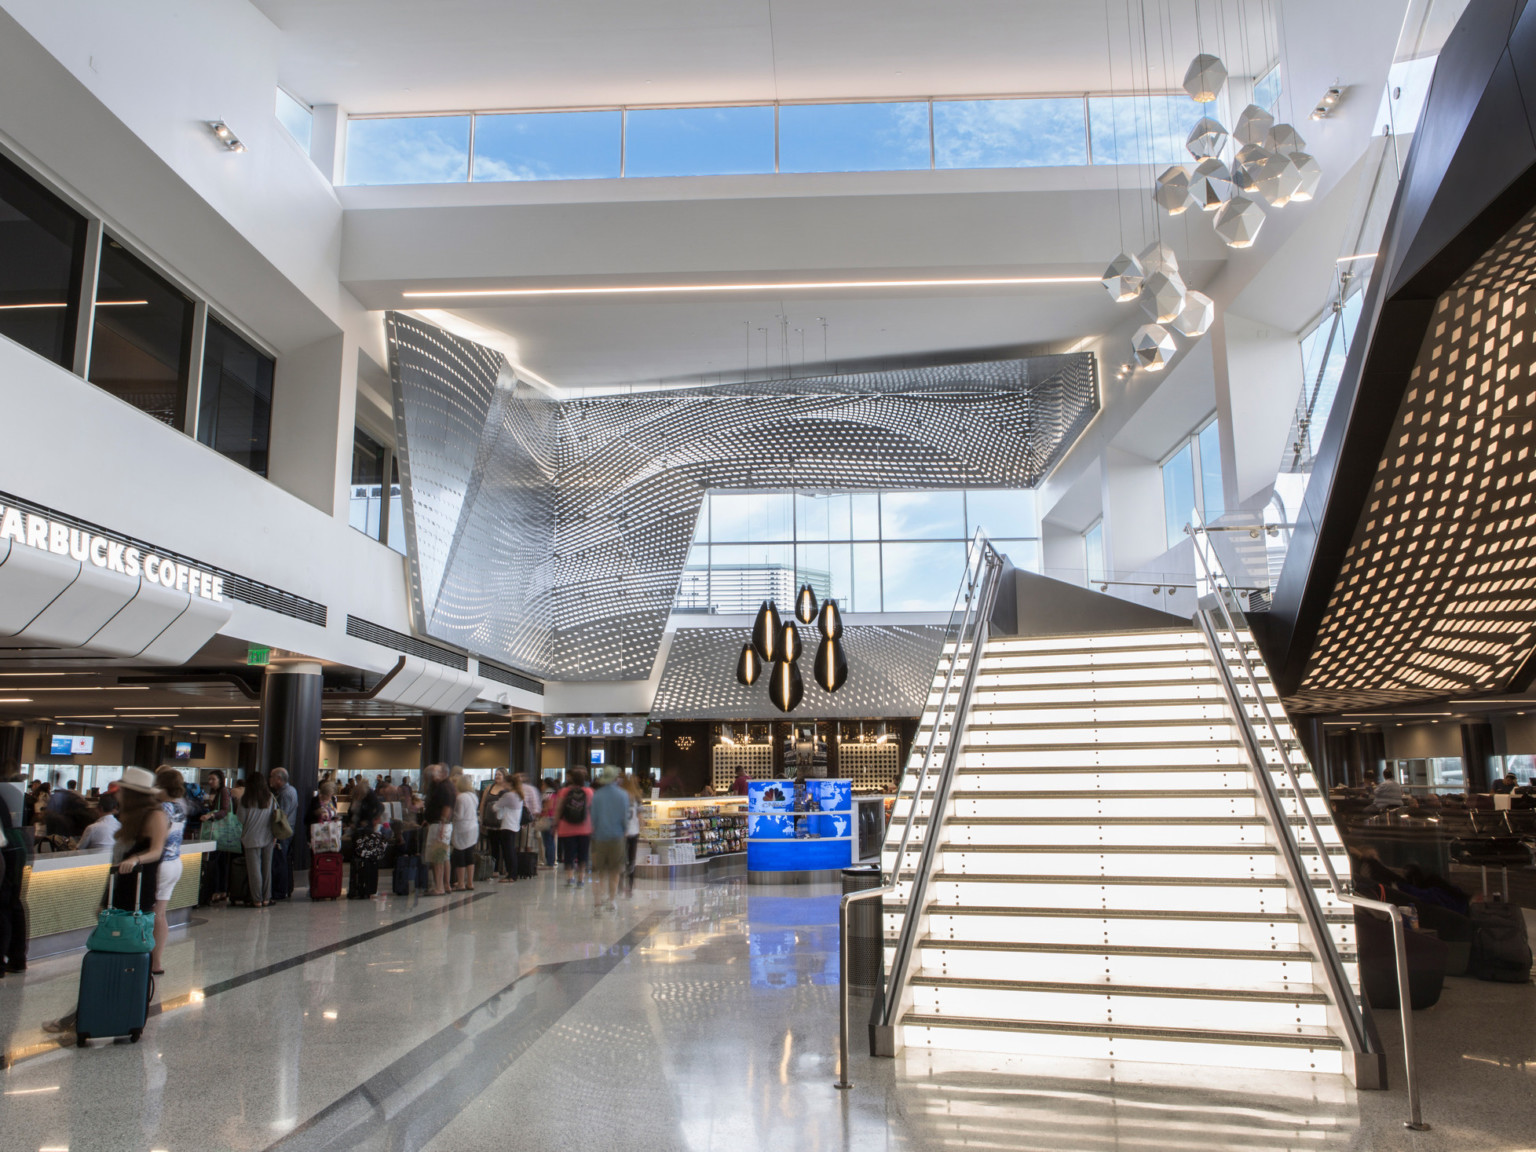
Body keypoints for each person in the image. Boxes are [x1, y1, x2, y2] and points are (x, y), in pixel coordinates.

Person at [115, 768, 171, 972]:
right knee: (116, 921)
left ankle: (139, 969)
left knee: (136, 924)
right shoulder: (130, 816)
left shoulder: (156, 815)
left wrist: (136, 859)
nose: (117, 793)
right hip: (123, 877)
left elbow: (156, 851)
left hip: (140, 878)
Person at [148, 768, 188, 974]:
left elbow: (155, 839)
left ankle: (148, 958)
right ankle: (156, 962)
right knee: (160, 915)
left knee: (151, 914)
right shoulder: (180, 807)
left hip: (161, 864)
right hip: (175, 863)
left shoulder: (162, 809)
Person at [0, 772, 28, 977]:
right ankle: (17, 959)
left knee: (3, 906)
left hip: (5, 847)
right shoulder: (6, 791)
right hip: (15, 843)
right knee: (12, 904)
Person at [590, 769, 628, 915]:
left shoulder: (597, 795)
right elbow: (625, 817)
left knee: (599, 871)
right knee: (614, 871)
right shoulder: (622, 795)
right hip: (617, 837)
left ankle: (598, 901)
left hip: (599, 837)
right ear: (615, 778)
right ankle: (611, 900)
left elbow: (593, 817)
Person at [238, 771, 277, 907]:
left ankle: (257, 899)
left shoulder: (245, 799)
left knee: (254, 870)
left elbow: (241, 819)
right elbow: (275, 816)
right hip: (268, 836)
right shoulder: (270, 797)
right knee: (267, 868)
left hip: (250, 838)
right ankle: (267, 898)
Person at [554, 768, 594, 888]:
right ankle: (581, 879)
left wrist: (555, 824)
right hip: (585, 828)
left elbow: (559, 809)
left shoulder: (563, 792)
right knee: (583, 855)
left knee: (569, 855)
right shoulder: (589, 792)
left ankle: (570, 878)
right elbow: (592, 809)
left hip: (566, 829)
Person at [202, 769, 235, 905]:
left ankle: (218, 890)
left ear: (220, 780)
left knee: (217, 861)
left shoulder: (223, 792)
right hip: (222, 833)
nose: (210, 782)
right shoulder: (218, 793)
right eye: (209, 779)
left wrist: (211, 815)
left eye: (213, 779)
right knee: (221, 862)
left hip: (220, 832)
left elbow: (224, 810)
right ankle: (221, 890)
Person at [269, 767, 300, 901]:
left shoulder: (285, 794)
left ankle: (279, 890)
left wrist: (275, 834)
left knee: (279, 861)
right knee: (284, 860)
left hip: (283, 833)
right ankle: (285, 888)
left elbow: (282, 816)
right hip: (288, 831)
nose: (269, 779)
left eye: (272, 776)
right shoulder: (291, 790)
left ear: (279, 779)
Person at [424, 763, 455, 896]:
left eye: (436, 772)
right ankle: (446, 885)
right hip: (442, 825)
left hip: (439, 825)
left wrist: (442, 825)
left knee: (437, 856)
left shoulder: (443, 788)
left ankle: (439, 887)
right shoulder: (447, 786)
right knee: (444, 856)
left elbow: (446, 807)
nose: (433, 776)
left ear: (443, 773)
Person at [450, 775, 480, 891]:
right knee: (469, 854)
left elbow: (459, 815)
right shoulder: (473, 796)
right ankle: (470, 882)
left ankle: (461, 883)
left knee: (460, 854)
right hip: (473, 827)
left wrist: (451, 814)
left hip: (462, 828)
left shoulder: (460, 797)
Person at [479, 769, 511, 877]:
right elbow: (483, 803)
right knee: (494, 846)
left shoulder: (507, 789)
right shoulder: (489, 788)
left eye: (499, 774)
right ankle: (495, 868)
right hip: (490, 822)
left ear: (504, 776)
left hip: (502, 823)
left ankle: (506, 868)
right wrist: (481, 818)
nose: (497, 776)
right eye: (496, 774)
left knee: (505, 846)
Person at [492, 782, 523, 884]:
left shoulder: (508, 795)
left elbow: (495, 807)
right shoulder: (519, 795)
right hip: (514, 825)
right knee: (511, 851)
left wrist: (499, 802)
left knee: (508, 851)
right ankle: (512, 873)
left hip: (507, 825)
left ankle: (511, 875)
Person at [621, 772, 643, 896]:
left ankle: (619, 883)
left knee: (621, 858)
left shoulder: (621, 796)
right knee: (631, 858)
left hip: (622, 831)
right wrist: (642, 826)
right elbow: (640, 816)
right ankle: (630, 885)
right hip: (634, 831)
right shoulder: (637, 797)